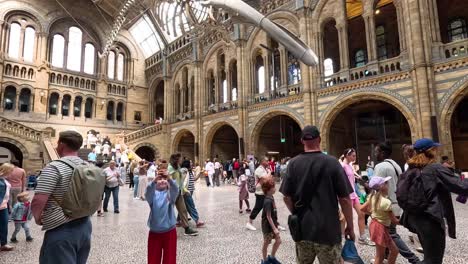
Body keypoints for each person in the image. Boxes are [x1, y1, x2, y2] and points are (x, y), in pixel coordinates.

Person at [280, 126, 355, 264]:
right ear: (319, 139)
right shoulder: (332, 163)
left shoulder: (293, 164)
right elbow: (344, 199)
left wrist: (297, 212)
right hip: (328, 231)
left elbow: (286, 196)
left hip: (303, 229)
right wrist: (350, 225)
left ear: (302, 141)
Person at [401, 138, 468, 264]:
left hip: (415, 218)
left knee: (429, 256)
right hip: (431, 220)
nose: (437, 151)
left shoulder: (412, 168)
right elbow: (460, 185)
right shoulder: (434, 169)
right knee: (433, 260)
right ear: (430, 151)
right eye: (435, 148)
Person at [31, 130, 92, 264]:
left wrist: (37, 217)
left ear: (62, 144)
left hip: (62, 228)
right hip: (85, 226)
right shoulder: (88, 166)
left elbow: (39, 199)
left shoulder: (54, 167)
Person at [374, 142, 420, 264]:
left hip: (386, 205)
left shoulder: (380, 167)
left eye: (377, 151)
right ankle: (385, 256)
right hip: (396, 204)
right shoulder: (395, 164)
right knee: (388, 233)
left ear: (382, 153)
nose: (375, 154)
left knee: (392, 234)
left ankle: (414, 259)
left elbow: (376, 186)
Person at [361, 177, 399, 264]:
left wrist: (372, 214)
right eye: (386, 183)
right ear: (382, 186)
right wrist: (406, 222)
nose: (388, 184)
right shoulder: (386, 202)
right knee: (381, 255)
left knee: (393, 251)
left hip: (375, 225)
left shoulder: (372, 197)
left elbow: (362, 208)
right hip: (380, 228)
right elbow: (394, 220)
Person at [146, 168, 179, 264]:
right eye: (160, 179)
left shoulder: (170, 195)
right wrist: (153, 181)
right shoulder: (152, 196)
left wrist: (169, 178)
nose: (162, 181)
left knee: (170, 258)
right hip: (154, 231)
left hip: (169, 231)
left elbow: (175, 189)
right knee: (153, 257)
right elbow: (148, 192)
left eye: (164, 179)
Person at [341, 148, 372, 246]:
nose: (355, 157)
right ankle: (341, 237)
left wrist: (358, 177)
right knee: (344, 217)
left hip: (353, 194)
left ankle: (362, 237)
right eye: (353, 155)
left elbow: (353, 175)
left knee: (361, 213)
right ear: (347, 155)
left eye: (355, 155)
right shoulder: (342, 166)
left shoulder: (350, 165)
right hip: (347, 195)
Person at [169, 154, 198, 236]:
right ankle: (168, 229)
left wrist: (185, 190)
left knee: (183, 210)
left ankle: (187, 228)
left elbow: (180, 181)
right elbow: (169, 179)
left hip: (179, 192)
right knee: (169, 210)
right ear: (176, 159)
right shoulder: (170, 168)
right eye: (180, 158)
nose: (182, 160)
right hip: (171, 192)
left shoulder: (178, 167)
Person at [246, 157, 272, 231]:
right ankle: (249, 223)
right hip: (260, 193)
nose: (268, 162)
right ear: (262, 161)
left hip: (266, 192)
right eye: (267, 161)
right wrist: (270, 172)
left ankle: (275, 223)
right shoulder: (258, 170)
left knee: (271, 208)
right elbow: (266, 179)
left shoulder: (265, 169)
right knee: (257, 207)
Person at [261, 177, 281, 264]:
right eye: (273, 187)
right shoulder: (268, 201)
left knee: (278, 241)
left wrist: (277, 223)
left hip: (273, 224)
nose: (275, 188)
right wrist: (275, 229)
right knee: (266, 243)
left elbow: (273, 213)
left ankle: (272, 257)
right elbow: (268, 216)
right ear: (268, 189)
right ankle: (265, 261)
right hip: (267, 227)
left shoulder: (271, 197)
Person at [180, 160, 205, 228]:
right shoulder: (184, 171)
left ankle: (178, 221)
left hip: (190, 191)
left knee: (183, 207)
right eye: (190, 163)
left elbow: (194, 179)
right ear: (187, 164)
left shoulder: (190, 172)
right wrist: (185, 191)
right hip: (186, 192)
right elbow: (181, 182)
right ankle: (197, 221)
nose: (192, 164)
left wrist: (200, 173)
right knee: (191, 206)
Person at [0, 163, 15, 251]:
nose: (12, 172)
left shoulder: (4, 179)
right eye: (11, 170)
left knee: (4, 225)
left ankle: (3, 244)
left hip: (4, 206)